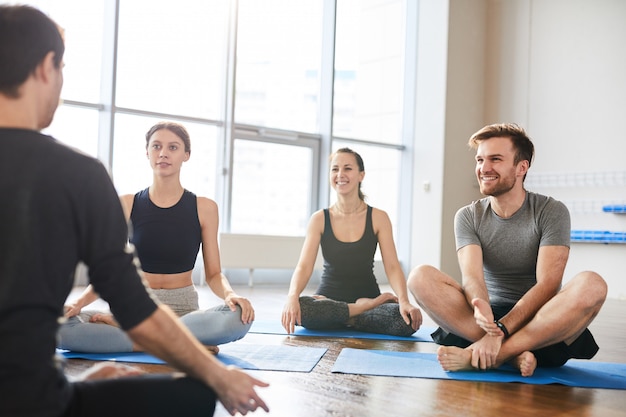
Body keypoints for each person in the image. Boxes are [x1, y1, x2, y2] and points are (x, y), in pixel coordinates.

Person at [0, 5, 268, 416]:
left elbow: (207, 276)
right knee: (196, 395)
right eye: (63, 66)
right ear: (45, 67)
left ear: (185, 156)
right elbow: (129, 300)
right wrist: (217, 377)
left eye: (172, 147)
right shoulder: (80, 175)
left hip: (174, 307)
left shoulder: (199, 205)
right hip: (38, 402)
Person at [407, 123, 607, 377]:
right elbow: (472, 278)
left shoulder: (551, 211)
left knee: (593, 284)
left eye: (495, 159)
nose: (483, 168)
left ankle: (495, 354)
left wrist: (501, 330)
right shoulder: (468, 216)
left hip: (542, 320)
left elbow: (548, 285)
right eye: (480, 160)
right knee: (419, 276)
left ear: (521, 167)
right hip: (485, 322)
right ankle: (511, 355)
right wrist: (482, 311)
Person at [58, 121, 253, 354]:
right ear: (147, 153)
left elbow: (213, 274)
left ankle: (143, 338)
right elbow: (110, 269)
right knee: (58, 327)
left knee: (239, 317)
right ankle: (174, 342)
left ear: (186, 155)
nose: (163, 153)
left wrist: (231, 295)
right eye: (156, 146)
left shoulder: (205, 208)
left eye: (173, 147)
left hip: (184, 313)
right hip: (136, 308)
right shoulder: (127, 204)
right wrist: (77, 304)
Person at [281, 148, 422, 336]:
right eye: (335, 169)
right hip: (331, 299)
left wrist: (404, 301)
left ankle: (344, 317)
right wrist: (292, 297)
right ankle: (359, 313)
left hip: (365, 296)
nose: (340, 175)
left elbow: (392, 266)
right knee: (303, 309)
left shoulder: (379, 217)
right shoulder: (319, 219)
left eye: (347, 168)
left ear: (361, 175)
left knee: (406, 321)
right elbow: (304, 266)